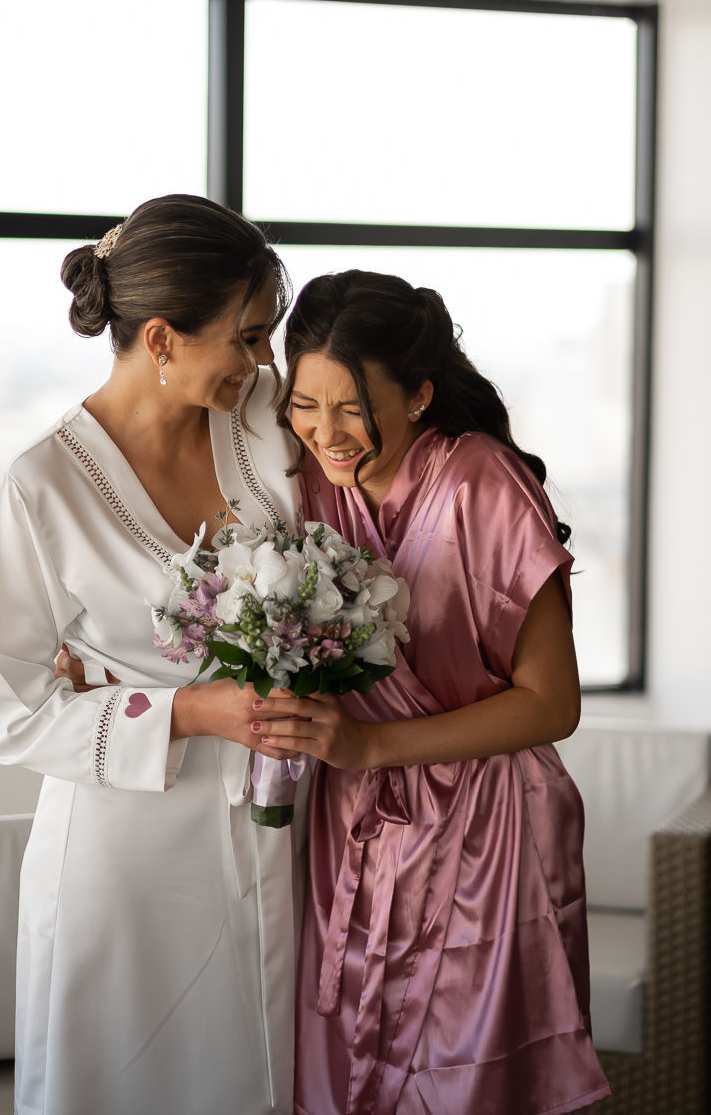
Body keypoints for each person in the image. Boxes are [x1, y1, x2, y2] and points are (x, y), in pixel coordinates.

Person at [251, 270, 611, 1115]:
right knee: (343, 1075)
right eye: (306, 405)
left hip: (491, 833)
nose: (327, 434)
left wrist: (371, 745)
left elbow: (552, 704)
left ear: (418, 394)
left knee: (470, 1084)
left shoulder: (481, 482)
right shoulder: (306, 487)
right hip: (354, 831)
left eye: (352, 408)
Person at [0, 195, 306, 1115]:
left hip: (282, 827)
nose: (264, 360)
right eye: (245, 338)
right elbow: (12, 714)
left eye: (267, 333)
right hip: (126, 856)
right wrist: (193, 711)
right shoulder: (42, 487)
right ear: (160, 338)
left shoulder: (268, 423)